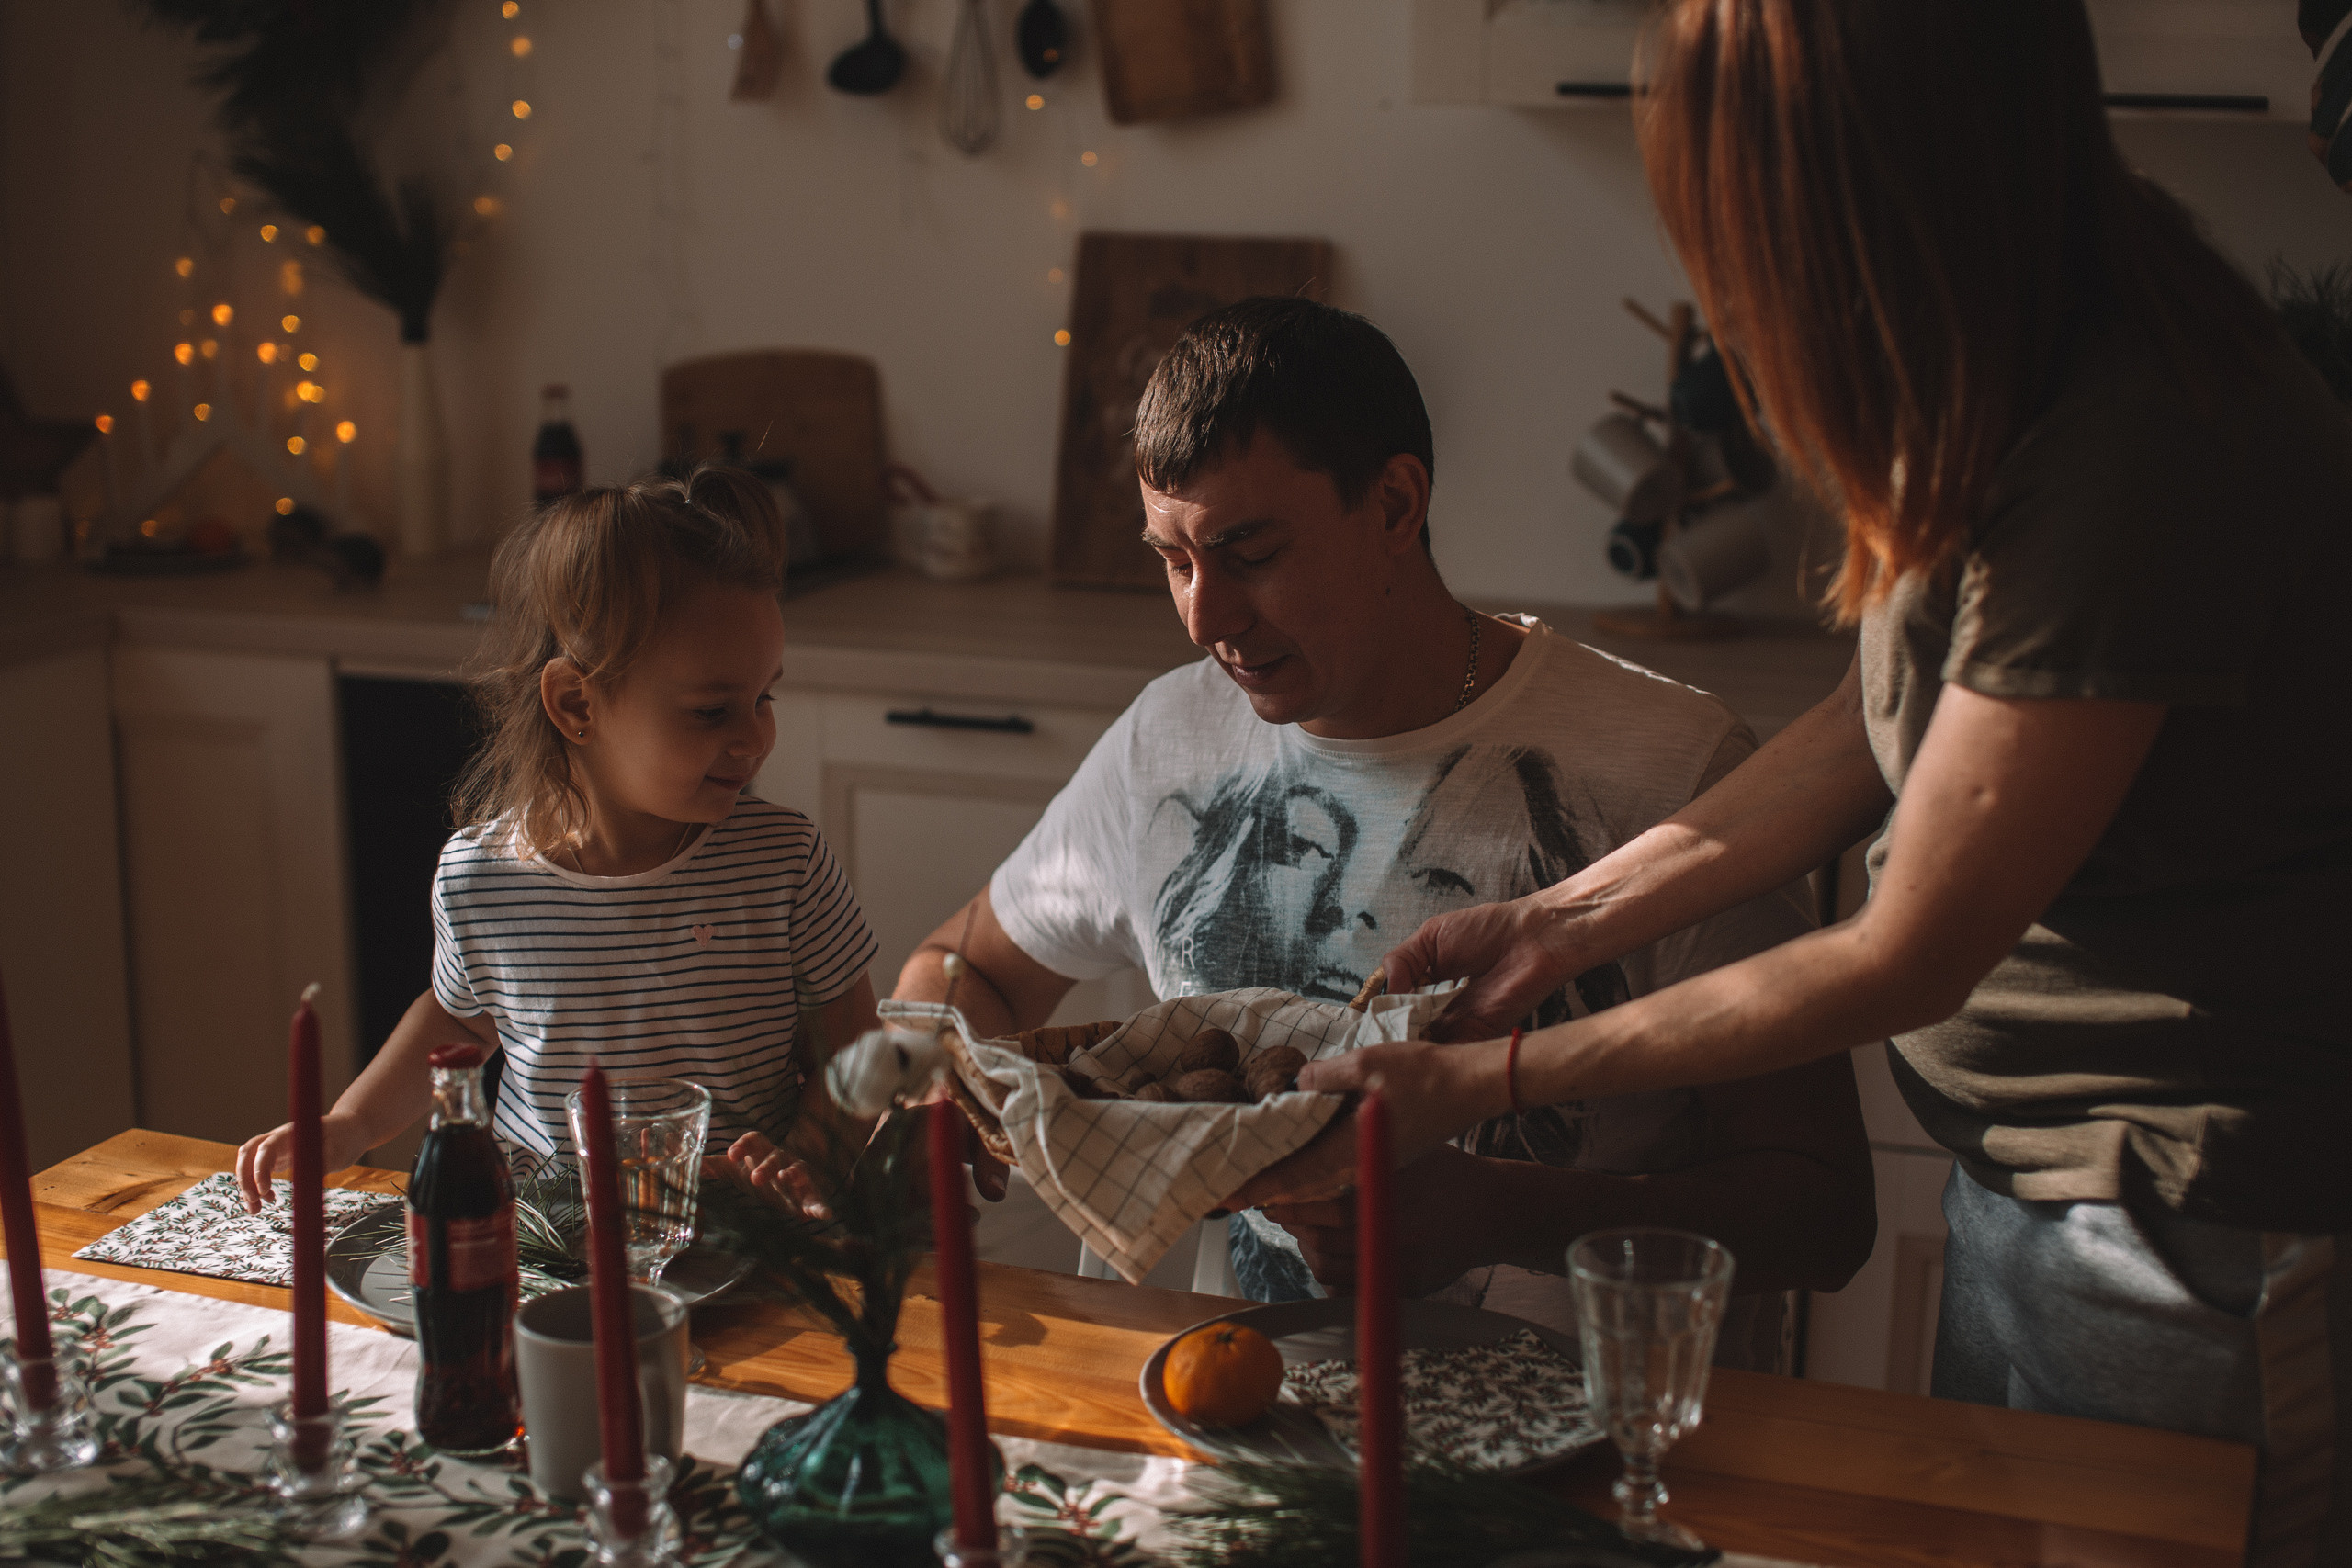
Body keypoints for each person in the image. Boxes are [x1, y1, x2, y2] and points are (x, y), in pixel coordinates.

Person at [1250, 4, 2351, 1560]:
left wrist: (1486, 1081)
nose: (1729, 268)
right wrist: (1567, 918)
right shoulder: (2029, 329)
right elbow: (1882, 713)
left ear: (1866, 179)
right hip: (2050, 1187)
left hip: (2195, 1222)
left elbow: (1908, 950)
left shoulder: (2138, 445)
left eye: (1735, 200)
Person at [896, 297, 1875, 1362]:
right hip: (1238, 1421)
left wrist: (1507, 1213)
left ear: (1397, 504)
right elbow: (964, 968)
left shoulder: (1666, 766)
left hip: (1582, 1468)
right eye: (1173, 560)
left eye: (1248, 552)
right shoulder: (1164, 744)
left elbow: (1822, 1213)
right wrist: (927, 1069)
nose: (1202, 617)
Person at [236, 469, 879, 1216]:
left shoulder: (782, 861)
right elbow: (456, 1021)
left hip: (739, 1240)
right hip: (549, 1236)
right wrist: (351, 1122)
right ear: (577, 702)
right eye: (712, 711)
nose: (755, 735)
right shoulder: (480, 878)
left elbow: (854, 1047)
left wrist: (807, 1158)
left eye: (764, 696)